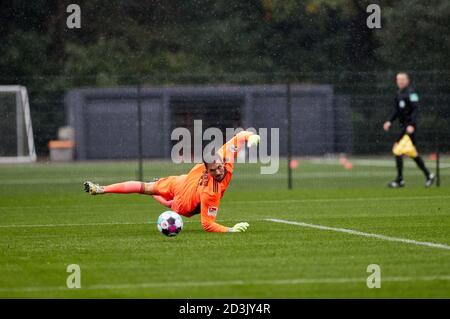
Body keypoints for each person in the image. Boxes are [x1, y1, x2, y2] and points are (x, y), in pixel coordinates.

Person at [84, 130, 260, 232]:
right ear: (207, 170)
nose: (219, 171)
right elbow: (207, 224)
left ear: (222, 161)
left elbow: (240, 136)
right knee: (158, 197)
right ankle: (101, 189)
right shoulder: (211, 191)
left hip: (183, 180)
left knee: (147, 187)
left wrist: (252, 138)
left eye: (220, 167)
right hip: (185, 200)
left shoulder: (225, 156)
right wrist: (230, 230)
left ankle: (103, 189)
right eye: (213, 170)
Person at [383, 72, 435, 188]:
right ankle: (429, 175)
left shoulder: (411, 93)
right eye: (398, 80)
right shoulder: (398, 94)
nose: (400, 81)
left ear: (407, 80)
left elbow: (416, 110)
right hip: (404, 127)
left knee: (397, 150)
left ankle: (400, 180)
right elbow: (396, 111)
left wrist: (412, 124)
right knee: (412, 153)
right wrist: (389, 121)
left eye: (402, 79)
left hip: (409, 128)